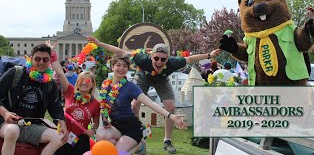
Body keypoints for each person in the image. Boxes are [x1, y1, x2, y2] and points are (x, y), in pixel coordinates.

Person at [87, 36, 221, 154]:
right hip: (144, 77)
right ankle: (133, 136)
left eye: (163, 59)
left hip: (162, 79)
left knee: (170, 105)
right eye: (156, 58)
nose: (159, 62)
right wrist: (99, 44)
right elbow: (120, 52)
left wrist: (209, 55)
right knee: (134, 105)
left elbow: (190, 58)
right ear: (151, 56)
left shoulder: (173, 62)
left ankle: (167, 140)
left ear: (167, 59)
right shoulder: (141, 59)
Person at [96, 55, 186, 153]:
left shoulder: (130, 87)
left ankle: (139, 146)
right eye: (118, 65)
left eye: (125, 66)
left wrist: (171, 116)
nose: (121, 68)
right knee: (101, 136)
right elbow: (103, 105)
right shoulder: (105, 85)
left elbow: (150, 103)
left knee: (117, 153)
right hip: (115, 126)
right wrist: (105, 119)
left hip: (131, 128)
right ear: (112, 67)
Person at [0, 44, 68, 155]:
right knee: (13, 130)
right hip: (6, 123)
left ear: (49, 61)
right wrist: (6, 114)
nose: (41, 62)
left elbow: (56, 108)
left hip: (31, 125)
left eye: (45, 59)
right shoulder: (16, 72)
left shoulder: (50, 84)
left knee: (60, 138)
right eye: (37, 59)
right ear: (31, 59)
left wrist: (62, 124)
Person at [45, 41, 100, 155]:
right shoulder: (70, 91)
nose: (84, 83)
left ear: (93, 84)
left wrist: (93, 130)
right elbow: (60, 73)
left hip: (81, 140)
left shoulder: (95, 103)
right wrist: (52, 53)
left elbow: (95, 122)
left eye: (88, 80)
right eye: (81, 80)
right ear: (77, 82)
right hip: (64, 135)